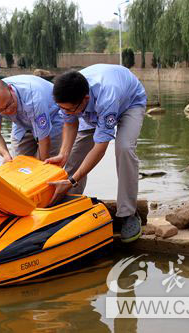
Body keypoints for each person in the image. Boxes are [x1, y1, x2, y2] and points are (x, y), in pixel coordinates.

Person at [45, 64, 147, 243]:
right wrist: (63, 153)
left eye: (69, 109)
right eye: (63, 109)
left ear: (85, 99)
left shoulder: (107, 96)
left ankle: (128, 213)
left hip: (130, 103)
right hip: (91, 109)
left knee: (124, 148)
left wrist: (72, 180)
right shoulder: (70, 96)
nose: (65, 112)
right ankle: (69, 207)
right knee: (75, 156)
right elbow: (70, 123)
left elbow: (100, 148)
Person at [0, 76, 63, 163]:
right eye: (1, 110)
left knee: (49, 162)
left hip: (52, 117)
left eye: (9, 104)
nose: (8, 111)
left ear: (11, 89)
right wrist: (5, 154)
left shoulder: (34, 98)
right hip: (22, 122)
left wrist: (43, 168)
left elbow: (44, 140)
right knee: (17, 163)